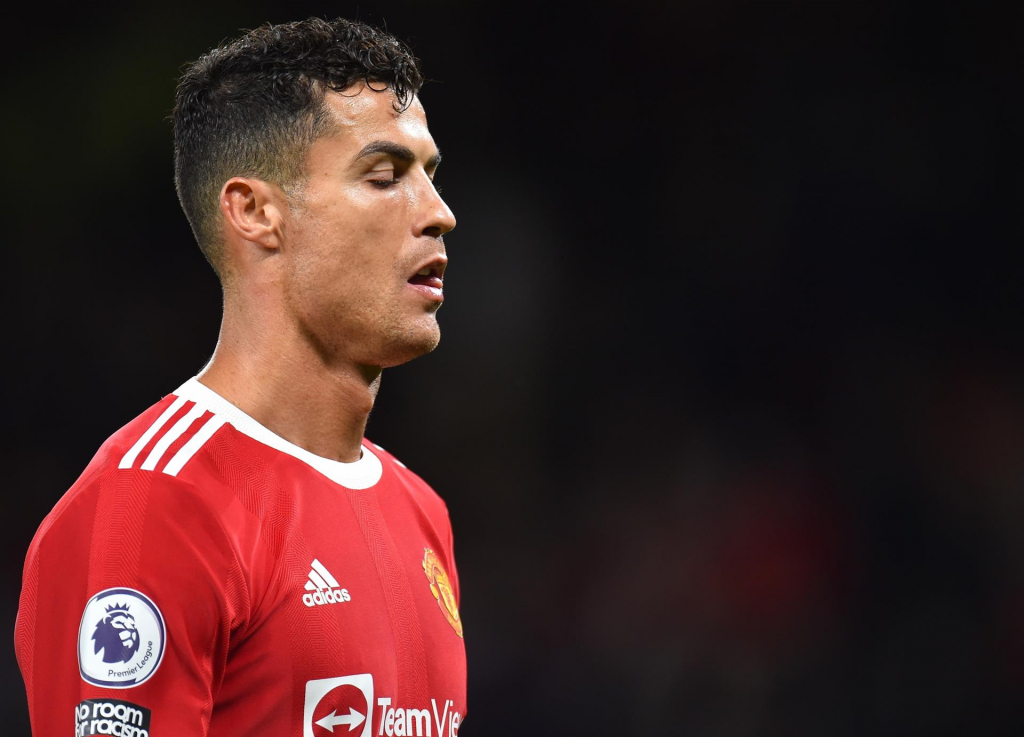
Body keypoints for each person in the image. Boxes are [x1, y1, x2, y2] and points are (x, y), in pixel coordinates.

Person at [15, 17, 465, 737]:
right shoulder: (154, 505)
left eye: (430, 176)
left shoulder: (421, 511)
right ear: (255, 212)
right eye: (385, 177)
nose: (439, 214)